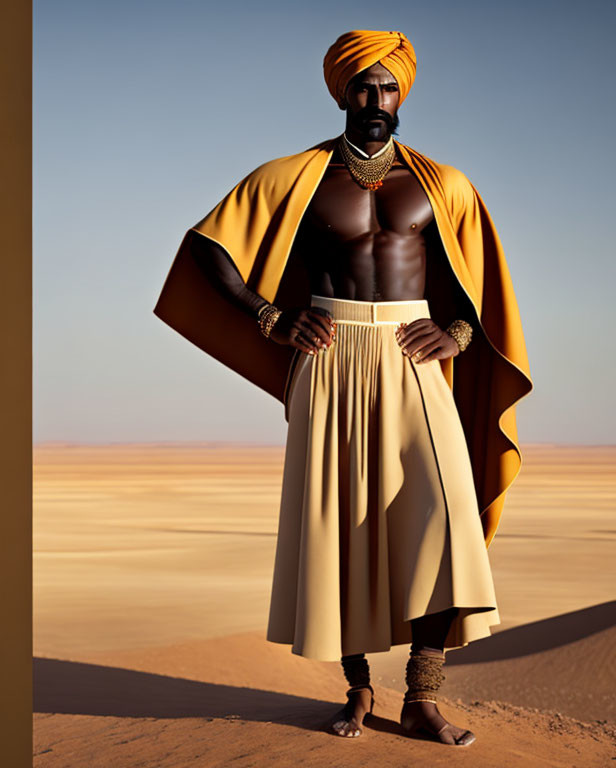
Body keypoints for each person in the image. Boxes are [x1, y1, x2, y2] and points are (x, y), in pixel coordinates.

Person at [154, 29, 533, 747]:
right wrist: (270, 317)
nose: (375, 99)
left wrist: (452, 336)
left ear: (403, 95)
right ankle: (358, 690)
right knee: (340, 525)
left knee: (442, 517)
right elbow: (209, 244)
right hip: (329, 356)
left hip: (414, 362)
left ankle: (423, 697)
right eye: (362, 86)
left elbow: (471, 289)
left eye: (387, 87)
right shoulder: (296, 176)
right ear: (340, 91)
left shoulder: (441, 184)